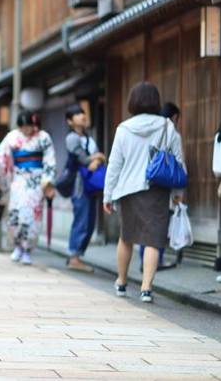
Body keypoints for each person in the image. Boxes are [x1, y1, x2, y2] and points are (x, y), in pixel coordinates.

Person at [104, 83, 185, 303]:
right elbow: (178, 162)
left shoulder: (123, 128)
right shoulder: (168, 127)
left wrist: (108, 195)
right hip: (157, 190)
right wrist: (178, 192)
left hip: (128, 190)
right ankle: (146, 288)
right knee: (153, 240)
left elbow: (114, 165)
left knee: (126, 237)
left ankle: (121, 282)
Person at [0, 110, 57, 265]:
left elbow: (49, 160)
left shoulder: (43, 137)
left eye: (29, 126)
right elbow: (2, 157)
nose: (26, 130)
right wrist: (2, 177)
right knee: (15, 214)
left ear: (34, 124)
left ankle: (28, 250)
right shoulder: (12, 137)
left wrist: (48, 182)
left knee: (32, 216)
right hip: (18, 180)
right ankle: (17, 246)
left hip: (36, 182)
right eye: (23, 127)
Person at [138, 101, 182, 270]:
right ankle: (157, 261)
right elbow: (179, 163)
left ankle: (144, 260)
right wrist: (179, 191)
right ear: (175, 117)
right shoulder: (172, 133)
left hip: (144, 183)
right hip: (163, 186)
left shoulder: (147, 131)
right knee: (159, 226)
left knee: (146, 225)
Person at [64, 104, 106, 273]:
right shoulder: (71, 138)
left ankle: (77, 256)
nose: (82, 116)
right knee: (82, 219)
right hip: (79, 185)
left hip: (91, 184)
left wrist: (97, 160)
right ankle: (74, 257)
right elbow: (82, 159)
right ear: (69, 121)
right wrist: (96, 158)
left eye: (82, 113)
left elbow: (96, 159)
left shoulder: (89, 139)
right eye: (77, 114)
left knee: (89, 221)